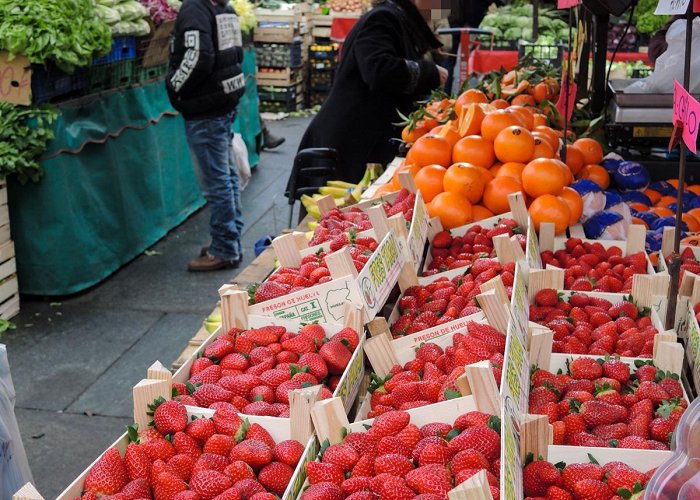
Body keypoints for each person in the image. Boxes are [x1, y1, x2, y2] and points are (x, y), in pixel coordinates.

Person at [289, 0, 448, 184]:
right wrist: (428, 73)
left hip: (362, 145)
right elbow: (377, 68)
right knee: (333, 211)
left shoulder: (400, 20)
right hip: (346, 148)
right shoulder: (383, 18)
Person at [166, 0, 247, 272]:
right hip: (223, 101)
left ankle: (224, 248)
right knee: (226, 176)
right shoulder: (224, 7)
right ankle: (230, 240)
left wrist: (174, 86)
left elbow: (197, 57)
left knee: (217, 182)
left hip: (205, 107)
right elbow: (237, 52)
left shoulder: (195, 9)